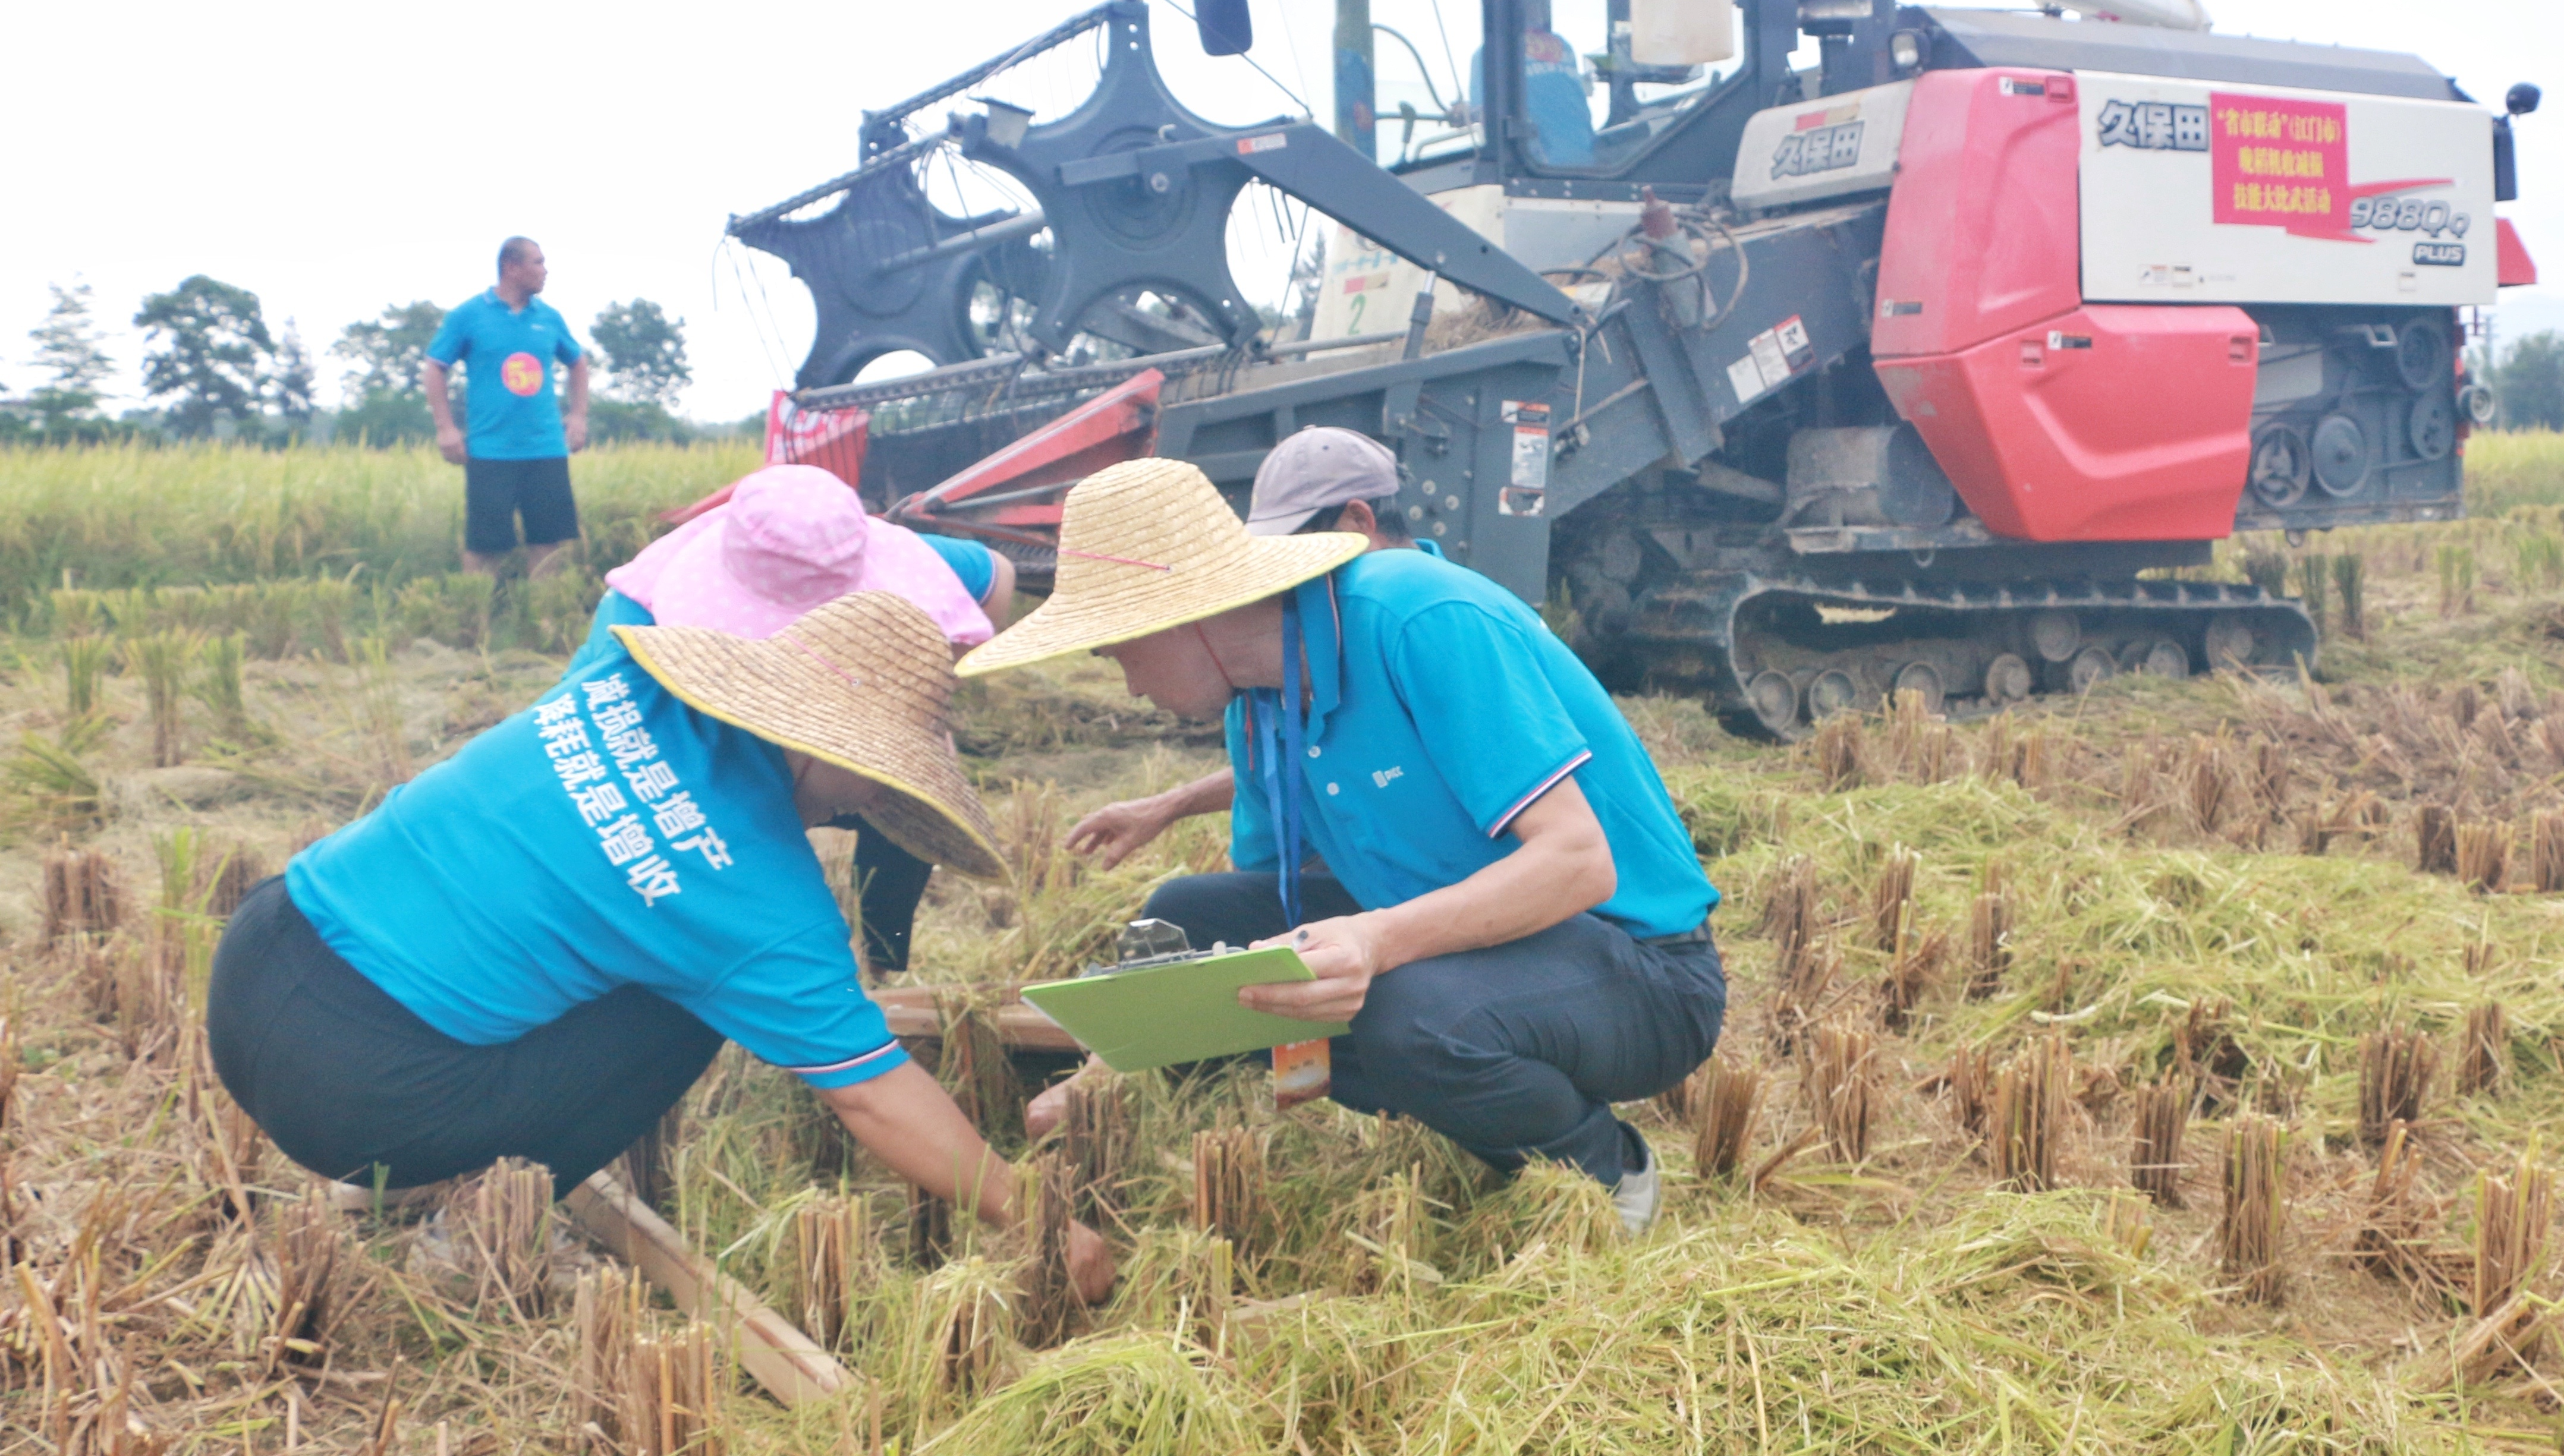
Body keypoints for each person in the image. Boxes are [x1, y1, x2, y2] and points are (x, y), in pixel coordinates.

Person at [204, 592, 1107, 1299]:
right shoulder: (760, 900)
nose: (863, 807)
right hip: (359, 1098)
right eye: (874, 779)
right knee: (680, 1014)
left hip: (254, 956)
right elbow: (872, 1096)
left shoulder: (622, 676)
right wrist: (1040, 1221)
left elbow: (643, 589)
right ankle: (471, 1232)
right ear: (829, 746)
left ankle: (387, 1190)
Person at [966, 458, 1723, 1234]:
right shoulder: (1253, 710)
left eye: (1118, 653)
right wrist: (1102, 1070)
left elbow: (1577, 864)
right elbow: (1273, 927)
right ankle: (1374, 1107)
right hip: (1471, 946)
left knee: (1402, 1011)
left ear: (1178, 616)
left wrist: (1376, 939)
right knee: (1190, 922)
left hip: (1641, 968)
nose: (1127, 684)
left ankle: (1607, 1174)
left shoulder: (1421, 618)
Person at [574, 462, 1017, 974]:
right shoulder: (634, 620)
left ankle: (882, 960)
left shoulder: (869, 552)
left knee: (906, 795)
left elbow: (996, 576)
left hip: (843, 722)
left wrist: (928, 701)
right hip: (717, 745)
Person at [1062, 426, 1412, 871]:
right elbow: (1301, 765)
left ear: (1358, 524)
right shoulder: (1264, 666)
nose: (1283, 577)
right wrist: (1171, 804)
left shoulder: (1419, 634)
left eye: (1296, 547)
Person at [426, 237, 594, 577]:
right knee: (484, 547)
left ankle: (544, 623)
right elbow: (434, 367)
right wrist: (446, 428)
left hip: (545, 449)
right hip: (490, 451)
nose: (545, 271)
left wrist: (578, 416)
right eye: (538, 262)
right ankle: (476, 624)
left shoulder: (549, 318)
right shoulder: (468, 316)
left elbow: (578, 363)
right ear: (512, 268)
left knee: (548, 544)